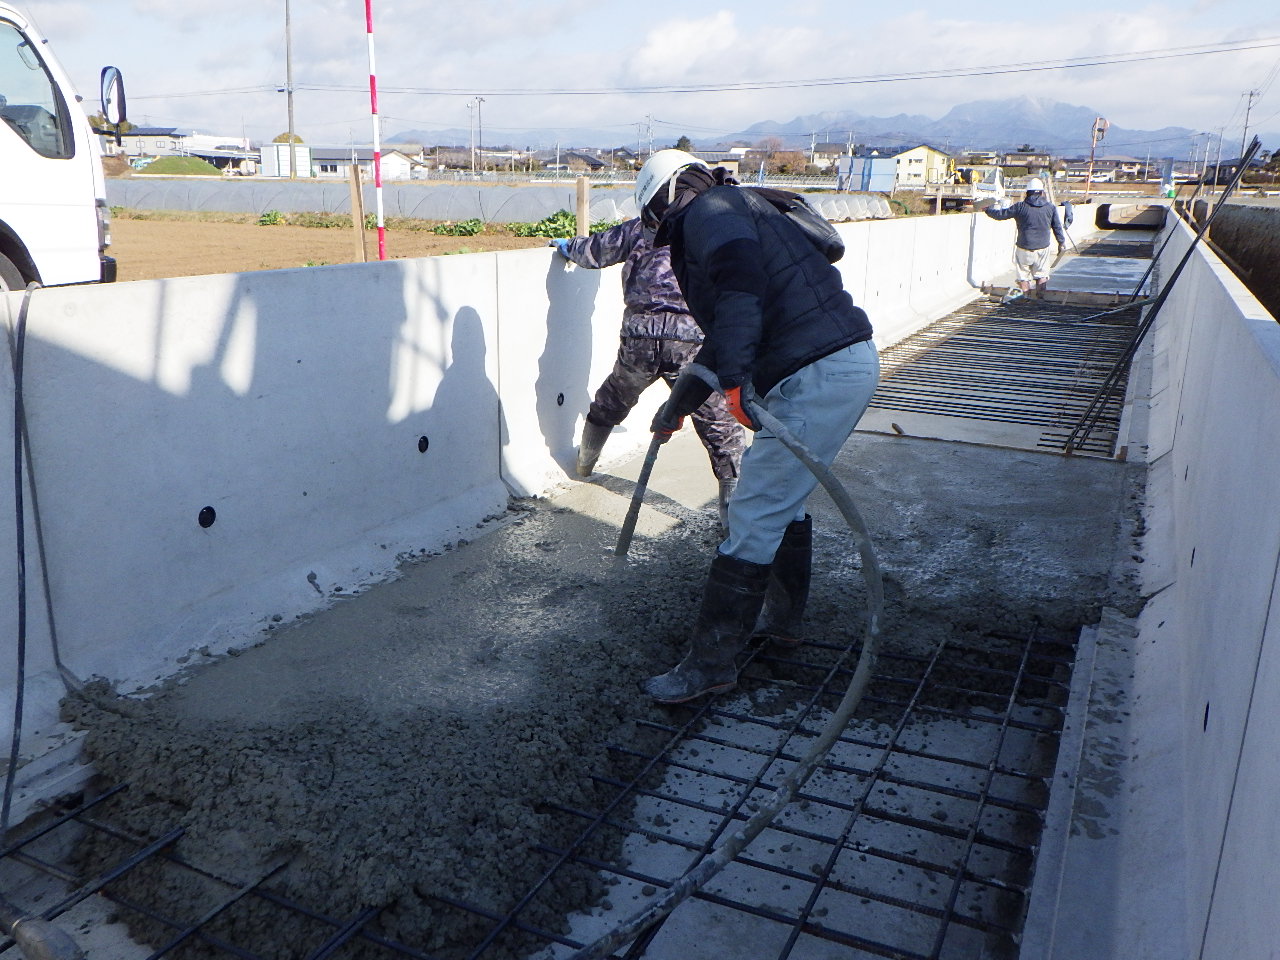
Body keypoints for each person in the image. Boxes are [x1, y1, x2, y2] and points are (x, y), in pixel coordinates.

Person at [633, 149, 880, 704]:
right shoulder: (737, 208)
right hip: (832, 365)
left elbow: (740, 289)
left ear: (665, 199)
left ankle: (710, 665)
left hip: (817, 371)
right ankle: (783, 622)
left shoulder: (713, 211)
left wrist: (737, 380)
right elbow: (727, 328)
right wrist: (680, 403)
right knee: (780, 504)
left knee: (752, 512)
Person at [552, 217, 744, 527]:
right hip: (689, 340)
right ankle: (735, 524)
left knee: (613, 397)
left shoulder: (640, 226)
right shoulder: (707, 226)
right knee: (719, 424)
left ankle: (584, 465)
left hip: (640, 336)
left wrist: (569, 247)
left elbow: (595, 251)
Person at [982, 177, 1066, 298]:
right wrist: (1061, 242)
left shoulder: (1020, 206)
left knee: (1023, 276)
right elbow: (1057, 227)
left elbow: (1001, 215)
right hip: (1042, 248)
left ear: (1027, 193)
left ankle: (1026, 298)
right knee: (1041, 275)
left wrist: (988, 210)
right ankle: (1040, 299)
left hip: (1024, 247)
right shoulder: (1050, 207)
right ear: (1042, 193)